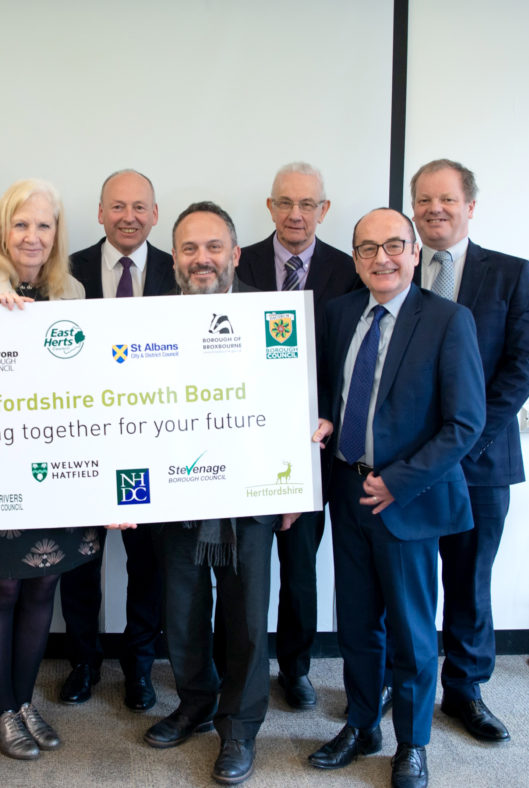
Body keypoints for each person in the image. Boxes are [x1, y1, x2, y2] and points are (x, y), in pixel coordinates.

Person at [307, 208, 485, 788]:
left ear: (413, 253)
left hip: (405, 500)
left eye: (392, 246)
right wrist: (329, 420)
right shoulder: (337, 315)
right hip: (348, 491)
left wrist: (399, 480)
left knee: (411, 631)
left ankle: (412, 743)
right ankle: (362, 725)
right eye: (366, 249)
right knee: (357, 624)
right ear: (354, 258)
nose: (380, 258)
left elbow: (464, 424)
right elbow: (331, 390)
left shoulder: (448, 320)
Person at [0, 178, 98, 760]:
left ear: (57, 235)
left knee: (42, 584)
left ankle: (25, 700)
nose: (33, 236)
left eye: (44, 225)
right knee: (0, 586)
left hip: (54, 469)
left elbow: (84, 384)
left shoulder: (73, 291)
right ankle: (1, 707)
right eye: (22, 223)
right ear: (2, 230)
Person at [147, 201, 283, 785]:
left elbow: (295, 403)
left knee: (248, 619)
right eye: (188, 248)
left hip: (250, 496)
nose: (201, 259)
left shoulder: (272, 315)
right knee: (181, 611)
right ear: (174, 256)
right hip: (175, 495)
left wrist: (294, 487)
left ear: (235, 253)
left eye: (212, 247)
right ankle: (196, 701)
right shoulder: (147, 320)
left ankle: (240, 727)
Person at [409, 159, 529, 742]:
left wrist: (465, 440)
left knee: (469, 581)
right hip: (405, 464)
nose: (434, 209)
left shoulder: (510, 274)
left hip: (481, 464)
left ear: (470, 206)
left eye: (446, 199)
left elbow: (524, 365)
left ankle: (466, 690)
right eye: (423, 200)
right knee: (407, 581)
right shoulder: (396, 268)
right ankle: (403, 682)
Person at [236, 162, 360, 711]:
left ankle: (297, 667)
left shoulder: (348, 269)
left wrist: (331, 415)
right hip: (249, 441)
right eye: (285, 202)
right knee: (247, 566)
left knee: (302, 569)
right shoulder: (243, 262)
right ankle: (244, 668)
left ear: (323, 210)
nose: (295, 214)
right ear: (269, 206)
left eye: (307, 204)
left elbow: (352, 361)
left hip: (316, 443)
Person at [59, 169, 174, 711]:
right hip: (83, 441)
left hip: (153, 445)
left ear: (155, 215)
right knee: (80, 561)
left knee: (147, 565)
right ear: (100, 213)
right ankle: (83, 661)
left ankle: (140, 665)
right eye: (117, 206)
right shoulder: (65, 270)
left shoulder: (181, 272)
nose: (128, 217)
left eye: (139, 207)